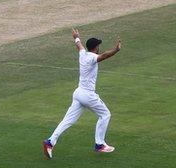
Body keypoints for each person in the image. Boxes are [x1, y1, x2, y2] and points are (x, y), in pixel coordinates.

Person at [43, 29, 121, 159]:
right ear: (96, 47)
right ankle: (99, 144)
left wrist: (76, 37)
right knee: (105, 114)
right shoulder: (92, 57)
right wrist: (116, 49)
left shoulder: (83, 54)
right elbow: (105, 56)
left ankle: (50, 142)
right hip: (88, 95)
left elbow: (79, 46)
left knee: (68, 120)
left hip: (78, 93)